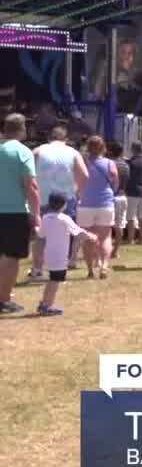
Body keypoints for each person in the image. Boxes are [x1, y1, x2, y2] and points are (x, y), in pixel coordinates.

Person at [29, 125, 87, 279]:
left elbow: (28, 174)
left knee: (41, 236)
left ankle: (37, 268)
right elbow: (85, 175)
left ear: (49, 138)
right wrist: (77, 191)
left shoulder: (38, 151)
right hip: (65, 199)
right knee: (64, 233)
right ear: (66, 139)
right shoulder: (73, 152)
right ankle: (61, 266)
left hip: (43, 198)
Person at [0, 113, 40, 314]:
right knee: (11, 256)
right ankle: (4, 300)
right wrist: (36, 213)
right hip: (14, 211)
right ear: (22, 129)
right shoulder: (23, 152)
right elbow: (31, 186)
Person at [34, 192, 98, 316]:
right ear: (63, 205)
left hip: (49, 255)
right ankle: (47, 306)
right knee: (55, 282)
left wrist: (36, 228)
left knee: (52, 279)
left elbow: (40, 234)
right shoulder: (65, 218)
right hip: (60, 256)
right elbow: (78, 233)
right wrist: (91, 236)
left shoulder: (46, 218)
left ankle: (44, 303)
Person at [79, 135, 118, 279]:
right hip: (105, 202)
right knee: (105, 237)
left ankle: (90, 270)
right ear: (103, 148)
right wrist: (111, 191)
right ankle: (104, 266)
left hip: (86, 203)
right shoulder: (109, 163)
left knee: (87, 237)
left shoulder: (83, 162)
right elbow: (115, 180)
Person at [107, 140, 129, 259]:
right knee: (119, 225)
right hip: (122, 195)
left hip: (111, 196)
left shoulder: (109, 164)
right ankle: (115, 251)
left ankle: (107, 248)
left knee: (108, 225)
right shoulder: (125, 165)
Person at [125, 142, 142, 244]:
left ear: (133, 149)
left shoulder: (131, 163)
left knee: (131, 217)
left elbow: (128, 177)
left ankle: (131, 239)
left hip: (132, 191)